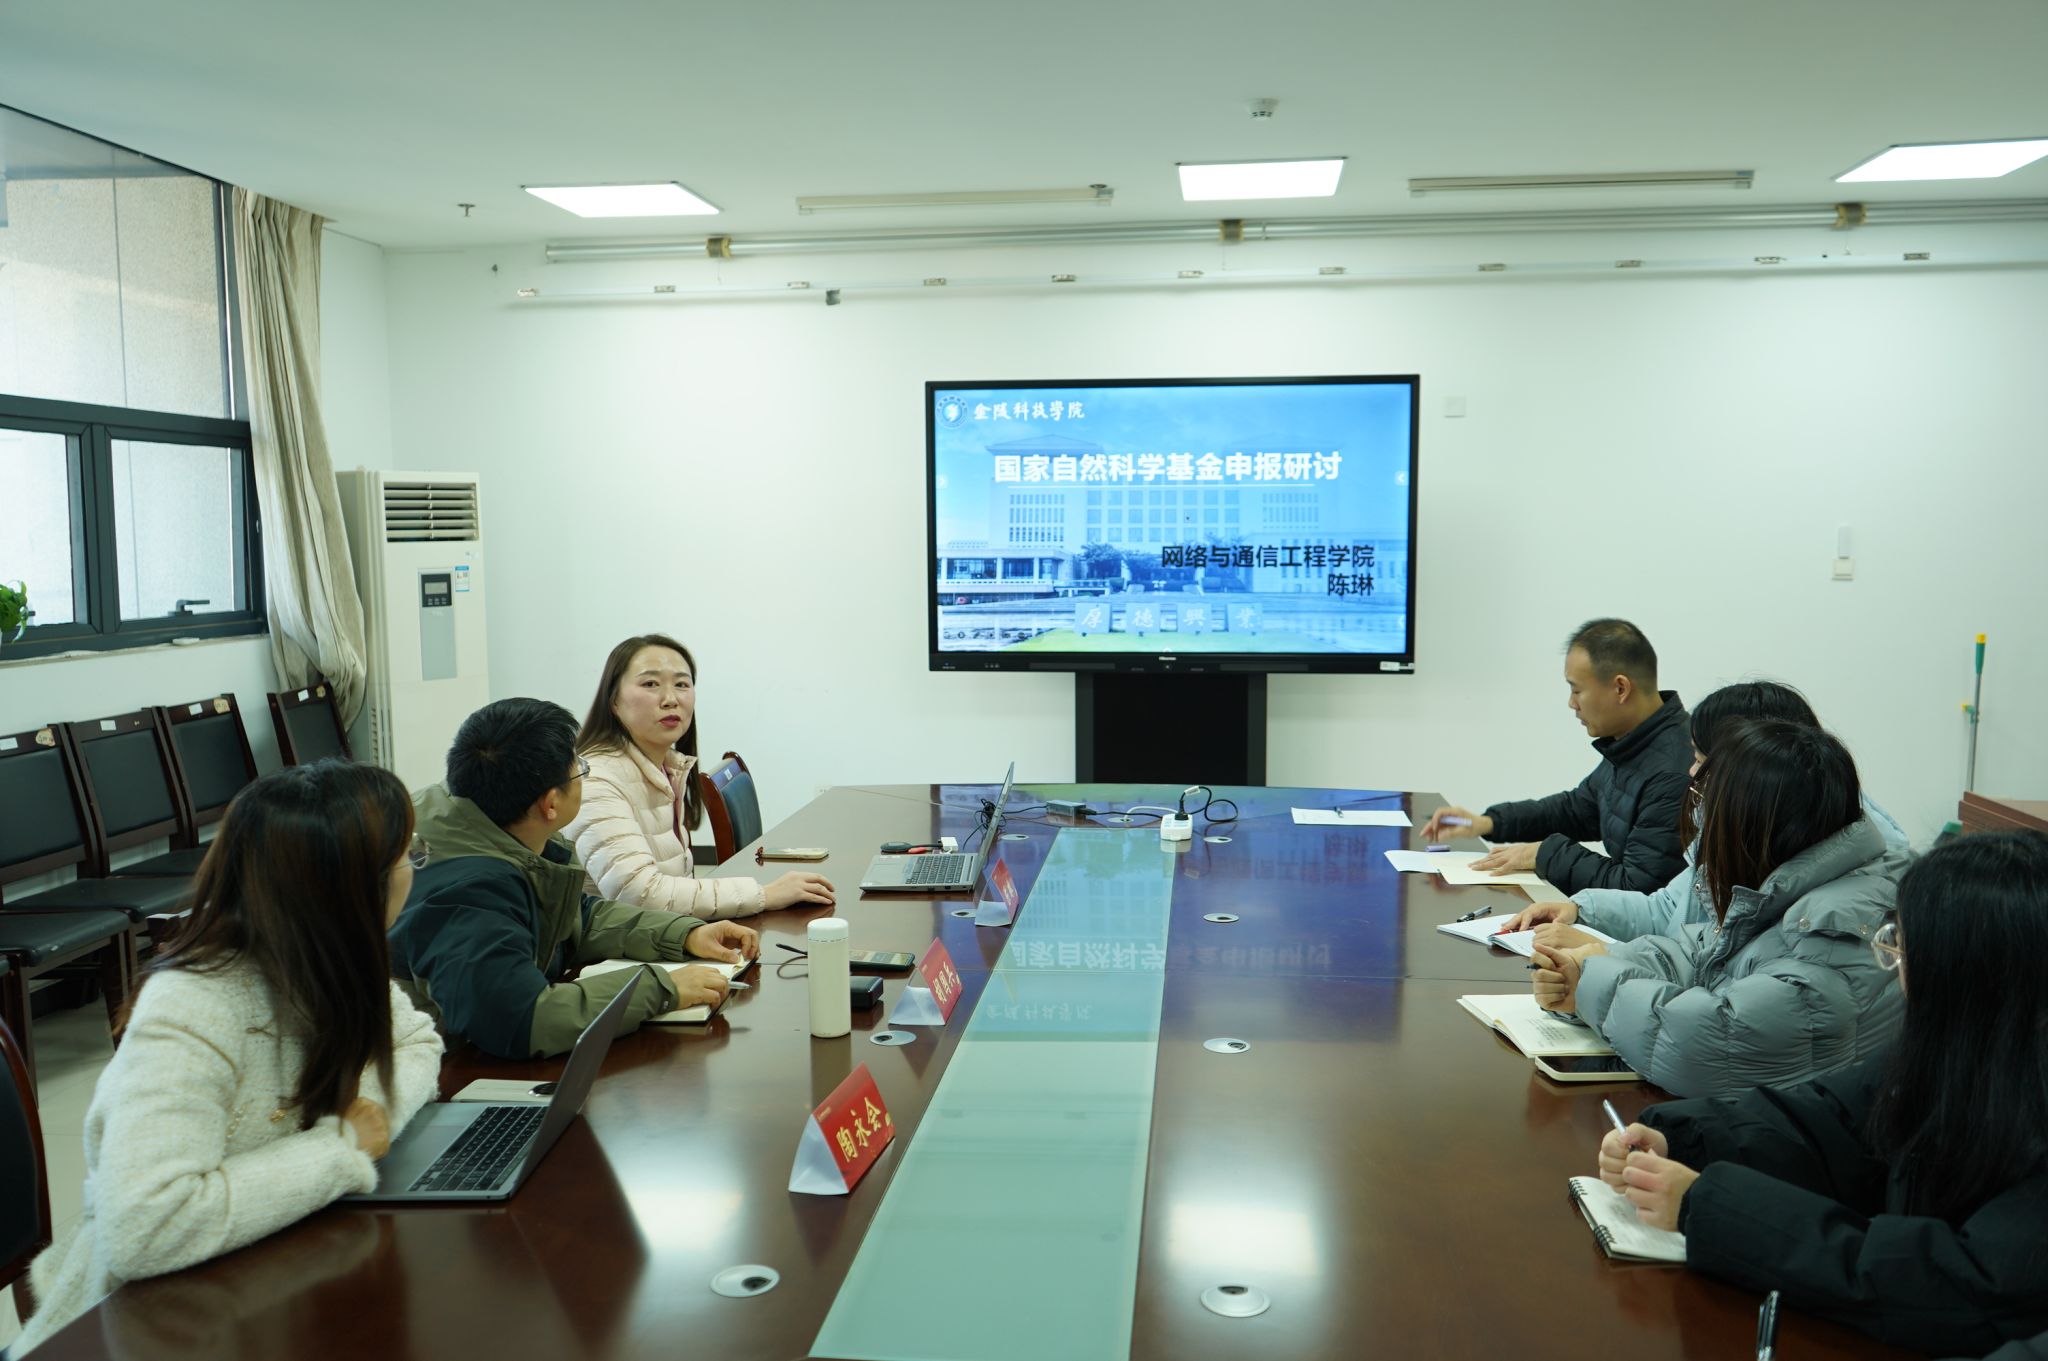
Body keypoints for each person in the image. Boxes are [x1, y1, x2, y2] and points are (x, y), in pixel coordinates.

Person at [14, 762, 444, 1355]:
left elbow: (415, 1044)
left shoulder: (330, 960)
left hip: (273, 1269)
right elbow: (146, 1229)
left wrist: (366, 1114)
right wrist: (340, 1147)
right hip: (149, 1322)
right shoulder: (195, 1004)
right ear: (350, 887)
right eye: (406, 855)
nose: (412, 870)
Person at [1597, 831, 2048, 1355]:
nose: (1896, 965)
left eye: (1904, 947)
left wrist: (1708, 1206)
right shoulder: (1964, 1046)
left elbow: (1956, 1287)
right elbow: (1830, 1119)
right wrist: (1685, 1139)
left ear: (1966, 974)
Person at [1529, 718, 1901, 1096]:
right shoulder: (1787, 885)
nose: (1703, 822)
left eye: (1709, 804)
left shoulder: (1832, 931)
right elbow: (1697, 958)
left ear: (1751, 820)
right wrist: (1583, 968)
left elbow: (1706, 1046)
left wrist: (1594, 978)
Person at [388, 697, 758, 1061]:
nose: (584, 773)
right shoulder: (470, 891)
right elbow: (522, 1021)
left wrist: (682, 934)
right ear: (550, 804)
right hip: (437, 1071)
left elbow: (573, 918)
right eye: (579, 768)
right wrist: (661, 988)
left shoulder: (474, 814)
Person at [1499, 679, 1912, 941]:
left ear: (1754, 769)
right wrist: (1581, 910)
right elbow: (1670, 910)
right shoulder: (1741, 824)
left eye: (1700, 760)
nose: (1691, 773)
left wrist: (1601, 966)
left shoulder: (1842, 890)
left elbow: (1725, 991)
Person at [564, 633, 833, 919]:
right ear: (613, 700)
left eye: (682, 684)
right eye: (650, 684)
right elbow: (639, 894)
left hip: (662, 932)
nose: (670, 699)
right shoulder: (597, 780)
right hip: (614, 945)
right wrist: (764, 894)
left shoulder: (665, 766)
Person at [1421, 618, 1691, 895]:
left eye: (1576, 690)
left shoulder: (1672, 772)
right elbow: (1577, 811)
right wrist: (1489, 822)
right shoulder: (1634, 743)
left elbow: (1639, 888)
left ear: (1620, 689)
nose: (1572, 703)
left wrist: (1544, 854)